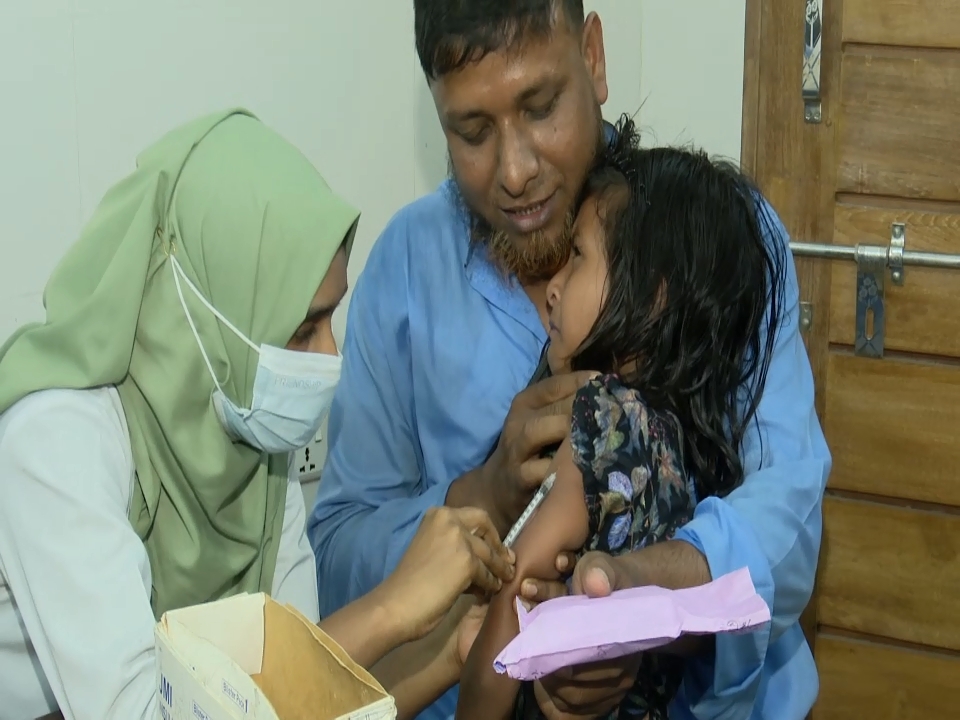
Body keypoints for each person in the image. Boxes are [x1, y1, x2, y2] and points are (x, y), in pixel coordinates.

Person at [309, 1, 831, 718]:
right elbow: (339, 560)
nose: (515, 171)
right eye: (473, 132)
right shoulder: (405, 266)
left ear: (593, 57)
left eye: (540, 106)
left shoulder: (712, 235)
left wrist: (638, 608)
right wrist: (483, 495)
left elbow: (788, 522)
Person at [0, 109, 515, 720]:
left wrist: (449, 651)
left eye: (330, 320)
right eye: (301, 330)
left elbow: (296, 705)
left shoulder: (250, 438)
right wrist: (390, 608)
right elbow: (148, 711)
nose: (330, 357)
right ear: (207, 319)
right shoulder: (56, 441)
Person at [456, 117, 787, 720]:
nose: (553, 288)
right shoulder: (680, 441)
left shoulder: (599, 419)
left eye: (578, 257)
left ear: (652, 295)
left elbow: (514, 598)